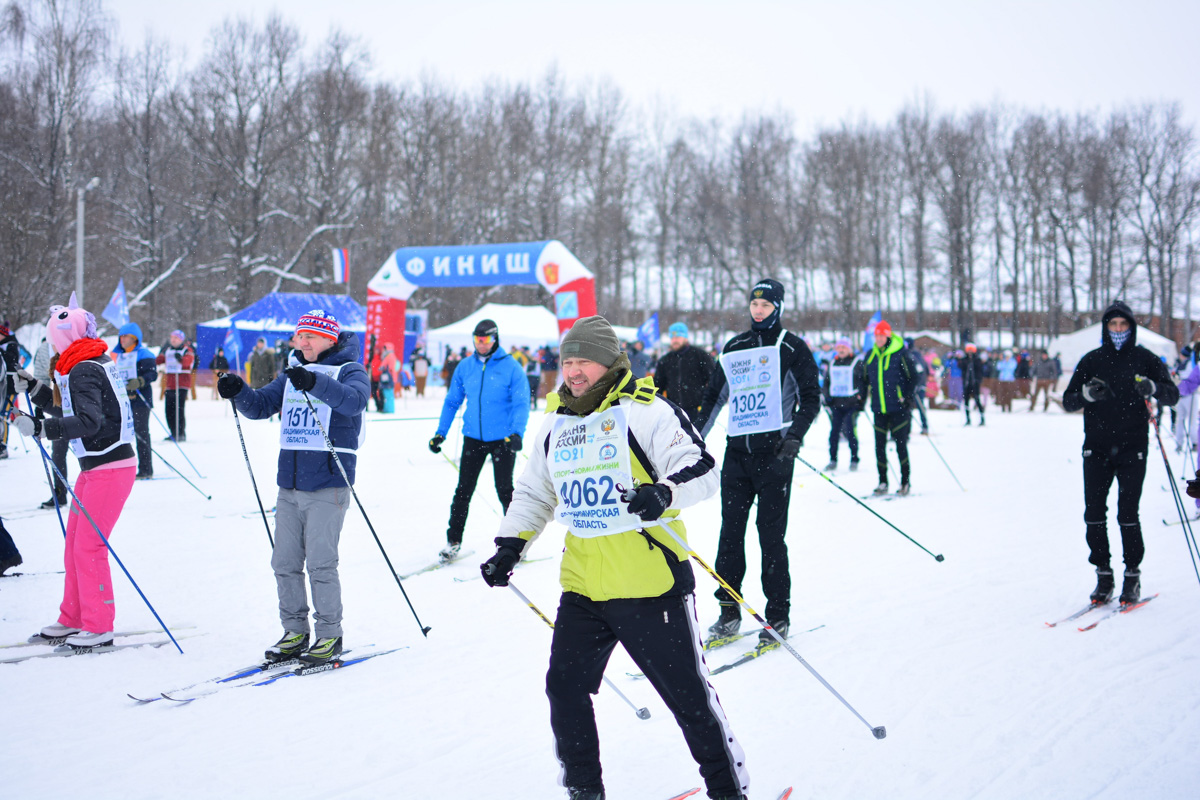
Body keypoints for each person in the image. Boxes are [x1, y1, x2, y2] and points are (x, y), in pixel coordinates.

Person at [479, 315, 748, 800]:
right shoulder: (555, 422)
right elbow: (535, 493)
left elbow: (703, 469)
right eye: (568, 360)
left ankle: (729, 792)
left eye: (585, 360)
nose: (574, 370)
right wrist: (509, 546)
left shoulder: (646, 412)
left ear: (610, 361)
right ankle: (586, 790)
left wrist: (662, 494)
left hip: (651, 586)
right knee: (563, 687)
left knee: (688, 701)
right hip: (584, 586)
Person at [217, 310, 369, 664]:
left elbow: (354, 401)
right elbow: (259, 407)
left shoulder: (350, 370)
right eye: (299, 337)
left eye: (310, 337)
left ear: (330, 339)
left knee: (320, 563)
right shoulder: (292, 374)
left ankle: (330, 634)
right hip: (290, 485)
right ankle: (295, 631)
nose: (302, 343)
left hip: (329, 484)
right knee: (283, 561)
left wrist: (314, 382)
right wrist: (238, 391)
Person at [693, 278, 821, 645]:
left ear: (777, 308)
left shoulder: (792, 347)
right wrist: (693, 440)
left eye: (765, 305)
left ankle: (777, 614)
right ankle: (729, 611)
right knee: (729, 535)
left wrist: (795, 436)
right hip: (738, 454)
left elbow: (811, 397)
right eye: (754, 304)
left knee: (770, 536)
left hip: (775, 455)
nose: (758, 310)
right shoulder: (734, 347)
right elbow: (713, 398)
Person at [15, 295, 137, 649]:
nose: (52, 342)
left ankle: (99, 625)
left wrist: (40, 429)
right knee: (74, 545)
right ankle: (73, 617)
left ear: (64, 337)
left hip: (110, 466)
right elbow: (67, 407)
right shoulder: (83, 362)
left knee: (89, 547)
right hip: (96, 465)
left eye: (55, 336)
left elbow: (87, 421)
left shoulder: (84, 367)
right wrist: (35, 389)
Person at [1062, 302, 1177, 605]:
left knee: (1127, 513)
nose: (1117, 330)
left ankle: (1132, 576)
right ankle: (1103, 574)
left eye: (1122, 325)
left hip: (1133, 447)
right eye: (1112, 325)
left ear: (1131, 327)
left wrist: (1152, 387)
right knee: (1094, 513)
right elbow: (1068, 400)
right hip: (1096, 448)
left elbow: (1172, 394)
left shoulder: (1145, 359)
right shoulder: (1092, 360)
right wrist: (1086, 394)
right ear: (1105, 327)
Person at [428, 319, 530, 563]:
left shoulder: (511, 367)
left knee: (505, 490)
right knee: (463, 490)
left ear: (495, 340)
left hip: (503, 439)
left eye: (485, 341)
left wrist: (517, 433)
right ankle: (453, 542)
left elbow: (521, 402)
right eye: (476, 340)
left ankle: (517, 543)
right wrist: (441, 432)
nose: (480, 345)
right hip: (473, 437)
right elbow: (453, 401)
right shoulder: (465, 366)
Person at [860, 319, 917, 496]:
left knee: (901, 446)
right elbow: (863, 379)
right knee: (879, 447)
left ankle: (905, 482)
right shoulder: (870, 354)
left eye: (881, 335)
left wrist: (908, 397)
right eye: (876, 335)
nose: (878, 339)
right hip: (878, 408)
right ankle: (883, 482)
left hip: (898, 407)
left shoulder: (900, 353)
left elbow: (913, 376)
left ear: (888, 336)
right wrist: (861, 397)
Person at [110, 322, 158, 479]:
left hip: (140, 400)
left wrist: (140, 381)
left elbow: (152, 374)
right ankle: (122, 467)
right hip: (123, 400)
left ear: (135, 338)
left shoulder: (145, 354)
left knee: (141, 433)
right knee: (121, 434)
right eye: (121, 336)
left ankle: (146, 469)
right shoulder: (119, 355)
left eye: (126, 336)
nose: (122, 339)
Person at [653, 321, 716, 424]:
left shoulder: (700, 356)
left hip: (697, 410)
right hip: (674, 411)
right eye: (672, 338)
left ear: (685, 338)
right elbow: (658, 386)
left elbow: (713, 379)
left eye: (678, 337)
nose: (675, 340)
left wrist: (706, 401)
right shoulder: (665, 360)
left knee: (696, 439)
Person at [822, 337, 864, 471]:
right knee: (834, 433)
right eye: (839, 347)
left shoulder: (857, 362)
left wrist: (861, 400)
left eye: (844, 347)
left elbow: (863, 382)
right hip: (836, 404)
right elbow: (826, 382)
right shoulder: (832, 363)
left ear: (849, 349)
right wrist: (827, 397)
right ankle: (833, 459)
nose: (841, 350)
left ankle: (854, 458)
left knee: (850, 432)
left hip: (851, 404)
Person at [156, 329, 194, 441]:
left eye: (175, 338)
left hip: (181, 383)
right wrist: (160, 354)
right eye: (171, 338)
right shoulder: (168, 350)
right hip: (170, 384)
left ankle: (180, 433)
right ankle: (173, 432)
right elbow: (158, 360)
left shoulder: (187, 349)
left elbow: (188, 361)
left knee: (179, 409)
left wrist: (181, 359)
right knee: (169, 410)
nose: (173, 340)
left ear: (181, 339)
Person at [958, 343, 985, 425]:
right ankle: (968, 419)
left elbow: (980, 371)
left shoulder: (977, 360)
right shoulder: (964, 360)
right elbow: (961, 367)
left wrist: (978, 380)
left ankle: (982, 418)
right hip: (967, 383)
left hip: (975, 383)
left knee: (977, 400)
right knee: (966, 401)